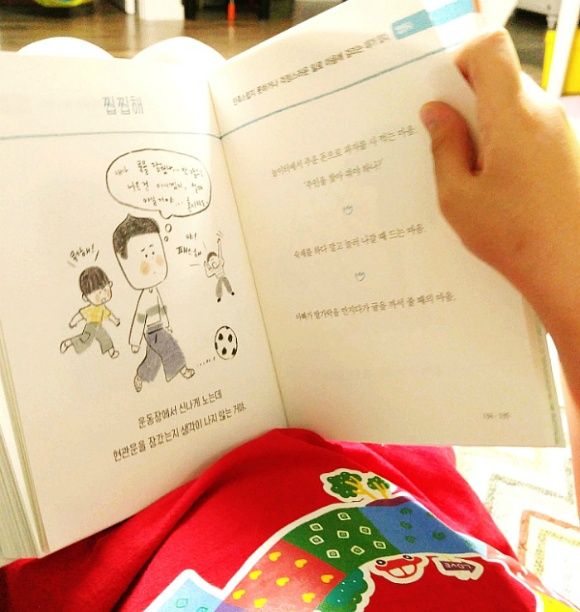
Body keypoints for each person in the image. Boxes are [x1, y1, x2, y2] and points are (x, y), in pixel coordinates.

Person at [1, 30, 579, 611]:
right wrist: (560, 255)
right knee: (186, 75)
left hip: (132, 531)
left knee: (73, 70)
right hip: (350, 462)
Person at [113, 214, 195, 392]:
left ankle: (140, 376)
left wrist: (167, 323)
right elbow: (139, 319)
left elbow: (161, 309)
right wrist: (135, 341)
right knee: (170, 347)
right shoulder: (144, 298)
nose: (153, 263)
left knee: (153, 359)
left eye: (154, 253)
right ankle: (182, 369)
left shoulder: (154, 291)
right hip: (152, 332)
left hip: (159, 328)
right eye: (145, 256)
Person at [59, 265, 120, 359]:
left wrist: (115, 320)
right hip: (91, 327)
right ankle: (68, 342)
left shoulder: (102, 308)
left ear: (110, 284)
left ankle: (111, 352)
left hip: (99, 327)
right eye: (98, 293)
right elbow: (80, 315)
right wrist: (73, 322)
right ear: (85, 298)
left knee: (105, 338)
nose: (103, 295)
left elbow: (109, 315)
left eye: (105, 290)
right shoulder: (90, 309)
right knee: (85, 340)